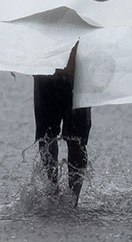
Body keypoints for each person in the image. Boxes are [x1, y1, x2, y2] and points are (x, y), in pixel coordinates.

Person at [33, 43, 91, 206]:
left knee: (77, 141)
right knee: (46, 137)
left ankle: (73, 200)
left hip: (77, 74)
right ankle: (52, 190)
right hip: (47, 70)